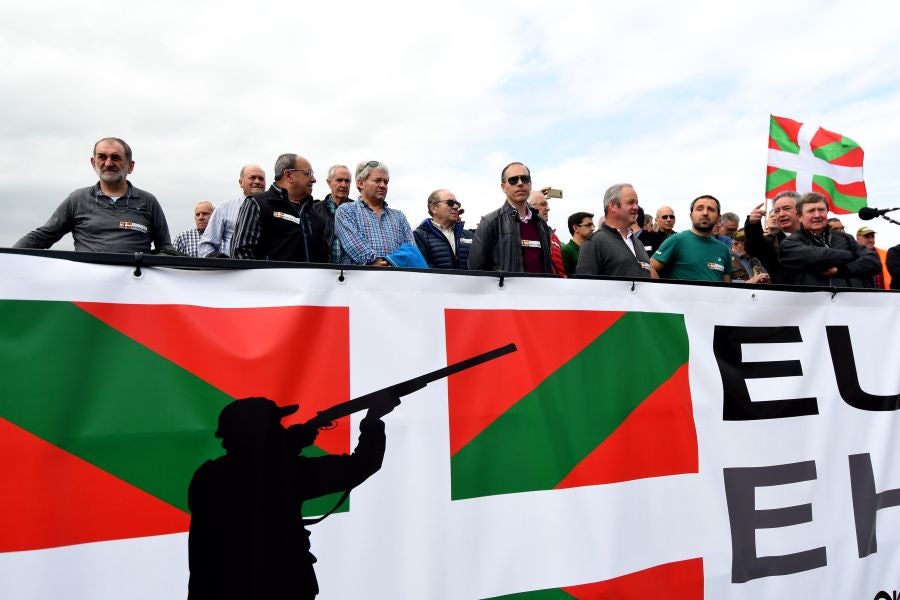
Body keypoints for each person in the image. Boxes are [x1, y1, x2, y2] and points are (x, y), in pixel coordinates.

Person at [188, 394, 398, 600]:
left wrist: (288, 446)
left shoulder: (207, 476)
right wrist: (372, 421)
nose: (282, 429)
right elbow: (362, 464)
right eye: (276, 426)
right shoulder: (286, 472)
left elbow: (254, 469)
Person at [15, 137, 174, 253]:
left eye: (116, 158)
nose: (108, 163)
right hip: (88, 290)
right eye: (102, 157)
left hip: (134, 288)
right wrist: (8, 257)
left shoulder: (148, 202)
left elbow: (165, 248)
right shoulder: (77, 200)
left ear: (130, 166)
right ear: (93, 163)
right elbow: (43, 236)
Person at [231, 154, 329, 262]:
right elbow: (241, 253)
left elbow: (325, 256)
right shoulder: (257, 204)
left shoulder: (313, 212)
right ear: (288, 175)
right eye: (308, 173)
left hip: (312, 279)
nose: (313, 179)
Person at [779, 193, 881, 288]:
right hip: (810, 304)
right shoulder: (789, 243)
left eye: (821, 210)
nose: (817, 215)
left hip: (850, 302)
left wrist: (841, 270)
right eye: (811, 211)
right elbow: (818, 257)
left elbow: (873, 262)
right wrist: (851, 255)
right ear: (799, 216)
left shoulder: (846, 238)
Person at [468, 162, 554, 273]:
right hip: (505, 290)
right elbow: (476, 270)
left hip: (541, 289)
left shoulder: (541, 224)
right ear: (503, 187)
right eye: (513, 180)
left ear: (530, 184)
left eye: (525, 179)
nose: (520, 183)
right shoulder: (490, 222)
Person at [335, 161, 417, 266]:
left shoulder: (399, 216)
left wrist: (393, 265)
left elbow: (411, 249)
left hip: (396, 278)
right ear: (361, 183)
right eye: (377, 180)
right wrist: (376, 262)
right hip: (358, 280)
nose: (383, 185)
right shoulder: (346, 211)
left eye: (385, 182)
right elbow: (353, 245)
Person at [576, 184, 655, 278]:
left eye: (636, 203)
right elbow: (584, 287)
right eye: (630, 202)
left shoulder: (638, 244)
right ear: (613, 206)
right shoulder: (594, 243)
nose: (636, 207)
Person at [651, 195, 732, 282]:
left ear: (718, 218)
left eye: (711, 209)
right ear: (691, 216)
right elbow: (650, 267)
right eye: (699, 209)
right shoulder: (676, 240)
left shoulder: (724, 249)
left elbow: (727, 286)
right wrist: (662, 292)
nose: (705, 213)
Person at [198, 165, 266, 257]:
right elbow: (206, 245)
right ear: (241, 183)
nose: (257, 181)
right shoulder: (224, 209)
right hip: (235, 268)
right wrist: (220, 260)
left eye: (261, 179)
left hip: (269, 268)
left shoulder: (274, 209)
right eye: (252, 178)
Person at [743, 192, 801, 284]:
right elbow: (755, 247)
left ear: (800, 210)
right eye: (777, 211)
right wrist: (753, 224)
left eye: (786, 208)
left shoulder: (819, 238)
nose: (781, 214)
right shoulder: (772, 242)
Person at [413, 189, 472, 269]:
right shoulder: (419, 236)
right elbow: (422, 271)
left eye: (457, 203)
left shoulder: (470, 235)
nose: (456, 207)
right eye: (450, 203)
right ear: (434, 208)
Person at [312, 165, 353, 264]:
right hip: (324, 270)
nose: (343, 185)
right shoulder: (314, 210)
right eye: (339, 180)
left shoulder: (358, 211)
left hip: (353, 271)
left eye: (347, 181)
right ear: (329, 182)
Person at [528, 189, 566, 276]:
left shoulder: (554, 236)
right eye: (543, 204)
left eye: (547, 204)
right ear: (530, 206)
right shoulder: (523, 232)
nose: (548, 209)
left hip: (556, 286)